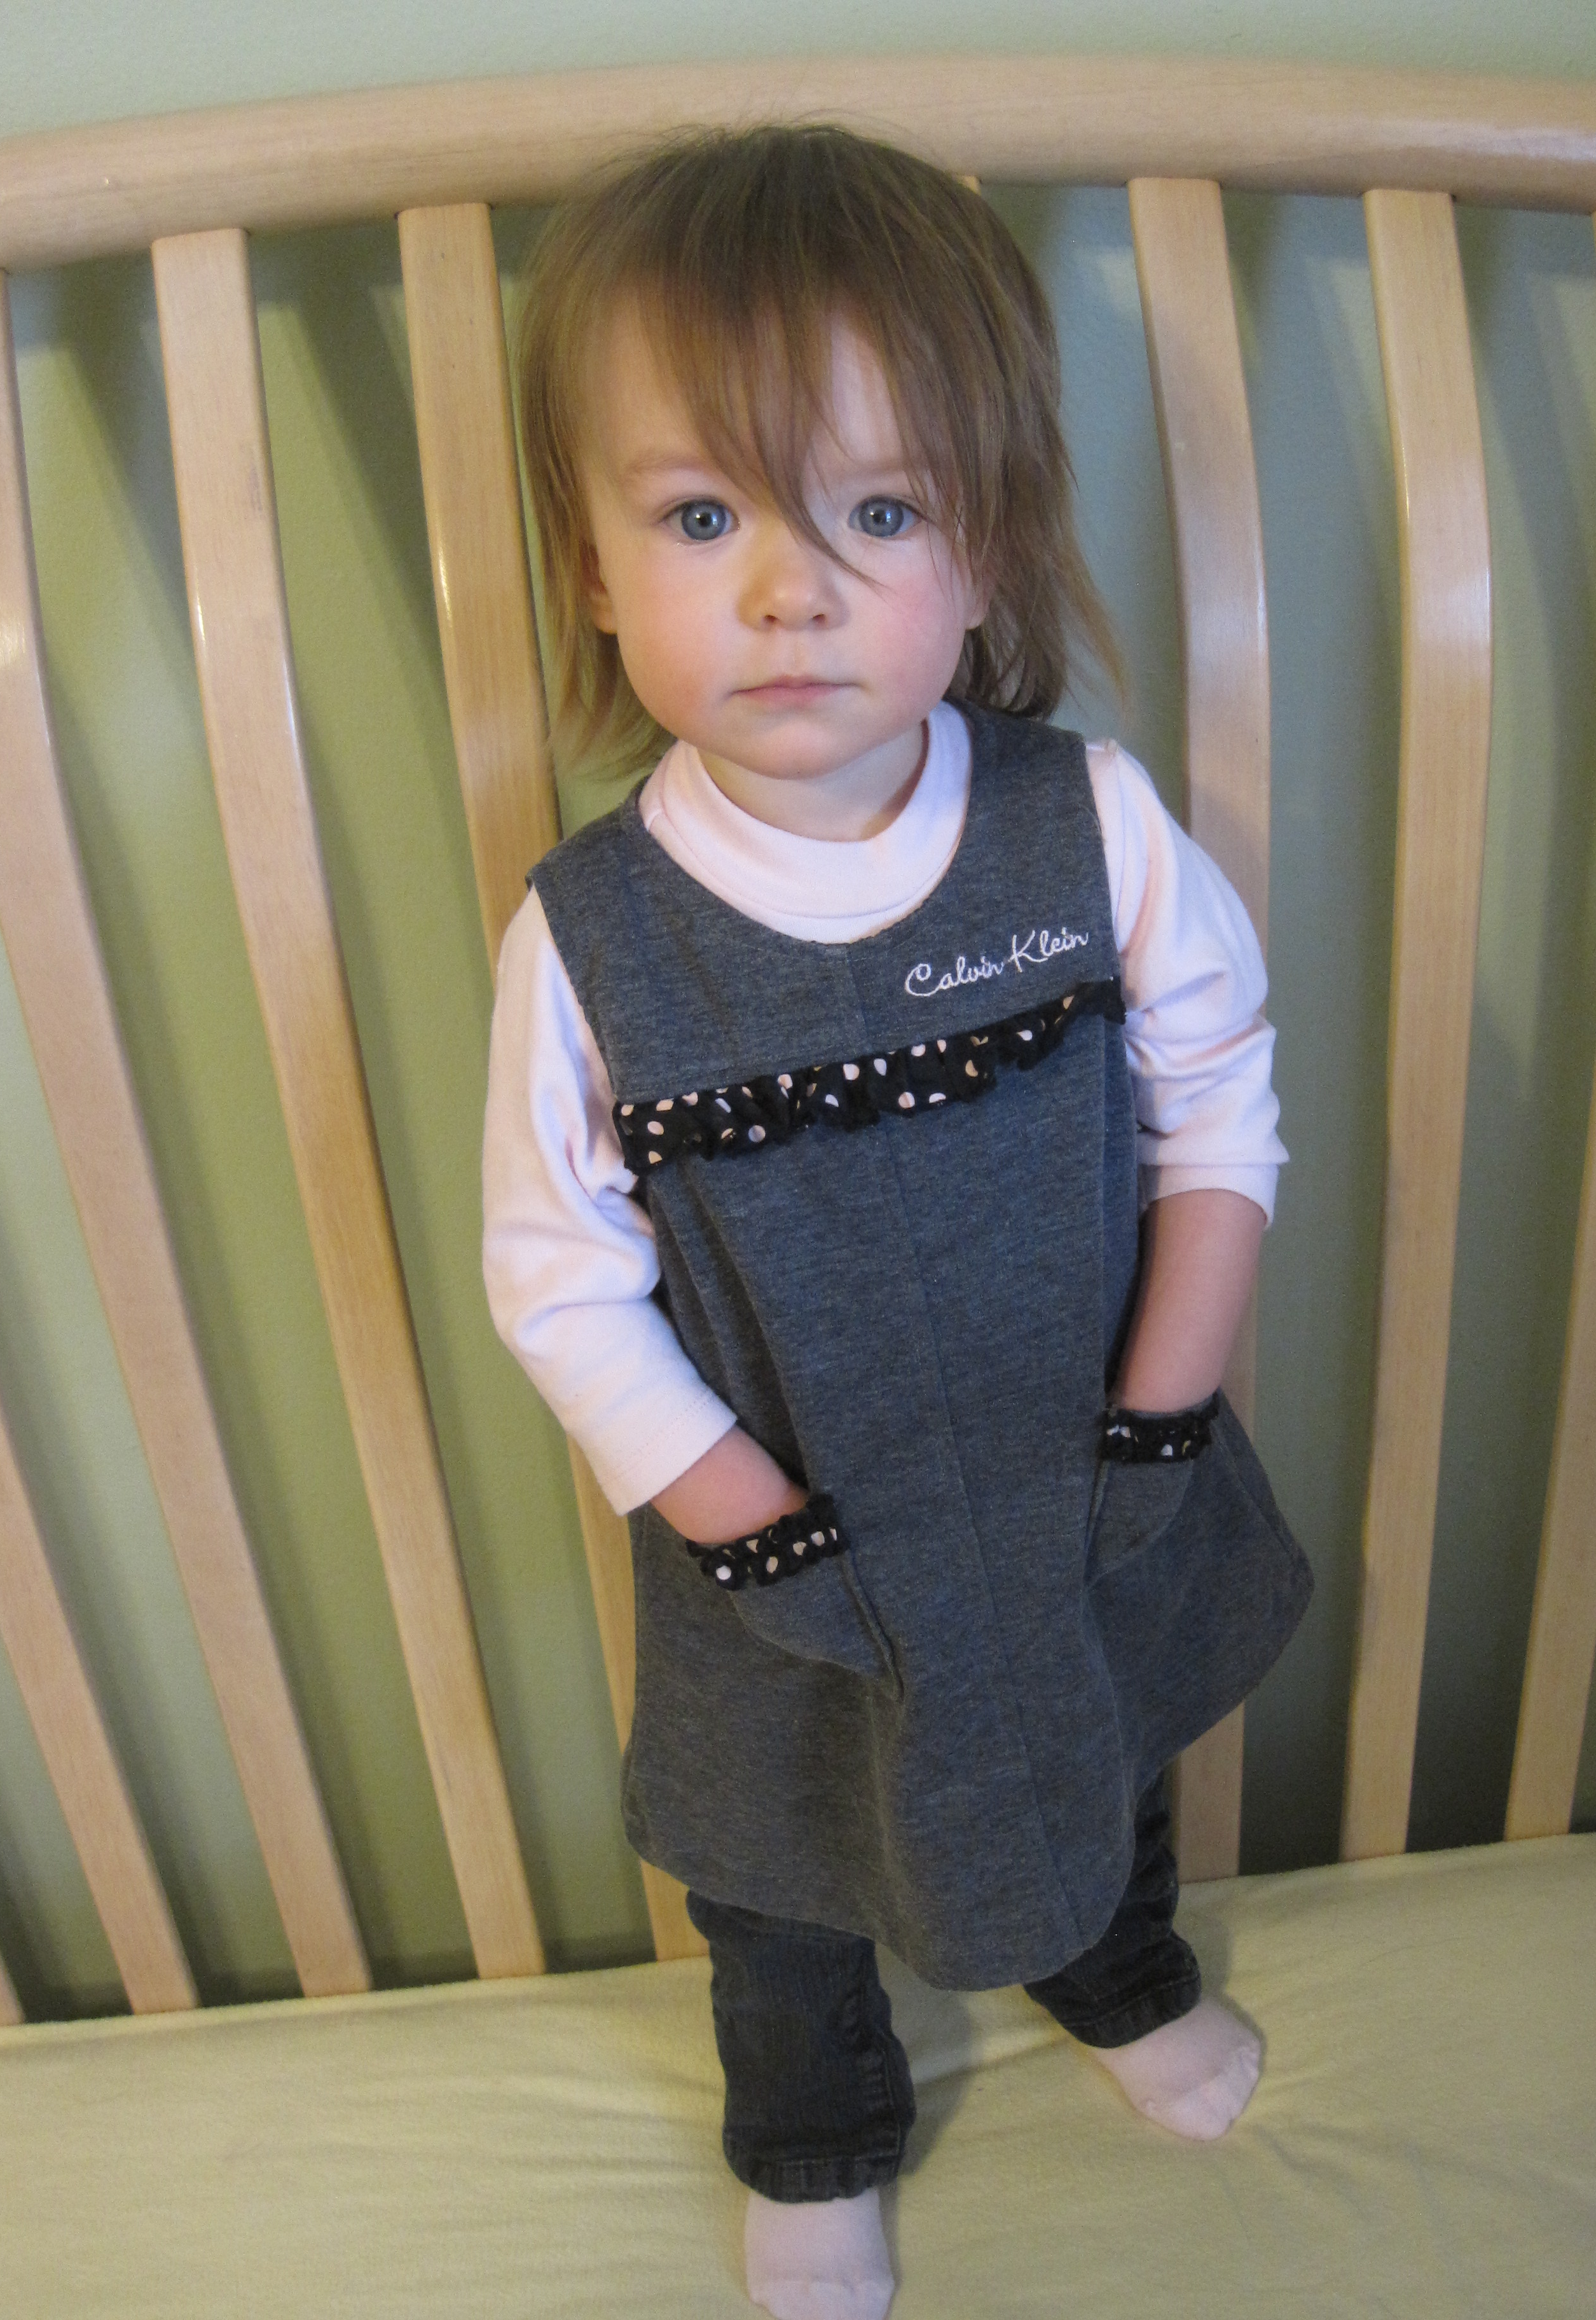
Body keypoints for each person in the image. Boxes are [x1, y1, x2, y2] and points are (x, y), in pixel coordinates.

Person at [483, 124, 1312, 2320]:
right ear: (593, 568)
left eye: (877, 512)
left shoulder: (1087, 825)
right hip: (787, 1542)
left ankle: (1116, 1978)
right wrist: (752, 1532)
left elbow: (1220, 1108)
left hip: (1083, 1470)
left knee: (1100, 1740)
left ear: (987, 546)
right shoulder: (590, 941)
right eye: (703, 517)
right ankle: (815, 2131)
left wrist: (1160, 1418)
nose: (792, 591)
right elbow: (558, 1281)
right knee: (781, 1866)